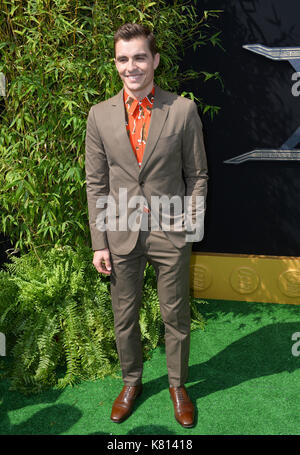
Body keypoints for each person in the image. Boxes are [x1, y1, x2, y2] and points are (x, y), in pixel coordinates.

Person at [85, 23, 208, 428]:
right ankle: (131, 382)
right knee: (125, 315)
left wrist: (191, 226)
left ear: (154, 60)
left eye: (139, 57)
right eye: (123, 59)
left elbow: (197, 175)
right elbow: (97, 183)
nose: (131, 66)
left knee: (175, 313)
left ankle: (177, 385)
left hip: (170, 231)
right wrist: (99, 242)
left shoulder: (183, 110)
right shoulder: (99, 115)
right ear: (115, 63)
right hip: (120, 231)